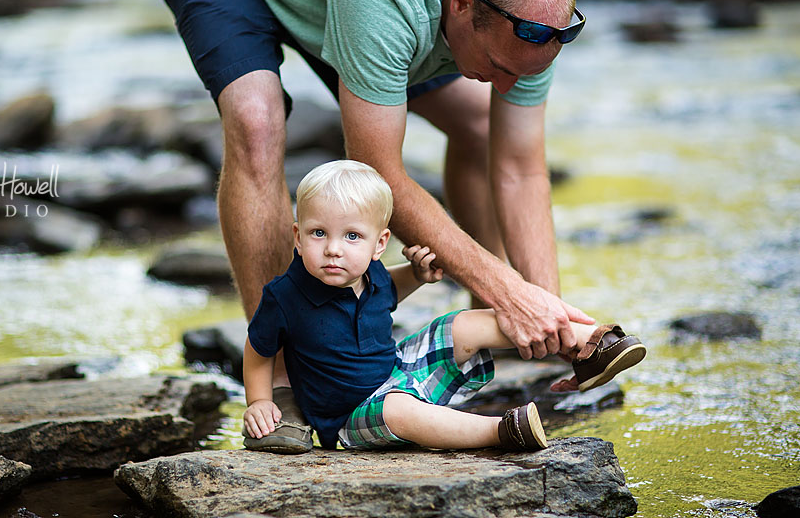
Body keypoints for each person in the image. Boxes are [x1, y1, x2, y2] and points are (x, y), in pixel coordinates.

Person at [151, 0, 593, 451]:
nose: (506, 85)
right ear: (461, 3)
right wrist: (511, 286)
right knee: (257, 122)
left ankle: (499, 318)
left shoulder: (533, 18)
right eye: (498, 66)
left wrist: (551, 315)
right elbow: (377, 171)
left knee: (478, 121)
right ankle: (285, 388)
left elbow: (521, 168)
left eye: (520, 74)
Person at [242, 161, 646, 452]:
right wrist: (261, 401)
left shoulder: (373, 273)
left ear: (379, 244)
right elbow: (258, 350)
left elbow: (388, 293)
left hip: (398, 370)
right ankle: (500, 431)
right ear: (297, 236)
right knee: (401, 410)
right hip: (353, 418)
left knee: (462, 324)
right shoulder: (286, 295)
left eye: (351, 236)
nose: (332, 249)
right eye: (318, 233)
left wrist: (415, 275)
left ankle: (586, 344)